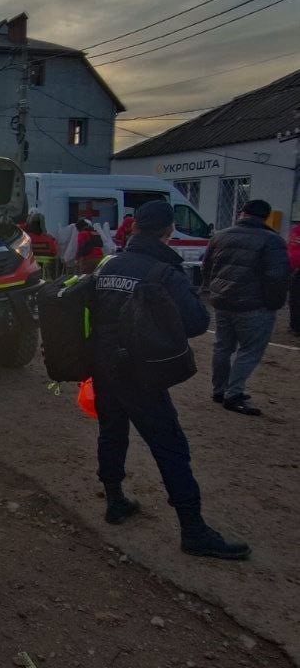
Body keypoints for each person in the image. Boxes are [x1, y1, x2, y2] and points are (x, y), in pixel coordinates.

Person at [91, 200, 249, 560]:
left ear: (133, 229)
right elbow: (195, 322)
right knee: (170, 446)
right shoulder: (163, 272)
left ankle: (115, 501)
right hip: (140, 373)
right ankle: (193, 530)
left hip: (103, 367)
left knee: (112, 432)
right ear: (168, 232)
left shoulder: (107, 263)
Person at [201, 199, 291, 416]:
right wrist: (273, 303)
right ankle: (234, 393)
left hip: (222, 301)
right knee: (250, 350)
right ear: (266, 217)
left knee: (223, 347)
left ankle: (220, 390)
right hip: (253, 304)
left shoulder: (220, 236)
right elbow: (277, 276)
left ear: (242, 213)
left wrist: (213, 291)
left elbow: (207, 267)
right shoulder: (272, 240)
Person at [24, 212, 60, 279]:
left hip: (31, 272)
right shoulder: (49, 240)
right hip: (46, 274)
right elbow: (54, 253)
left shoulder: (25, 239)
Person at [288, 222, 300, 336]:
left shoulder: (296, 230)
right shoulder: (297, 231)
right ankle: (295, 326)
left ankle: (295, 326)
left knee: (295, 300)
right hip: (296, 270)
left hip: (294, 269)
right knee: (296, 300)